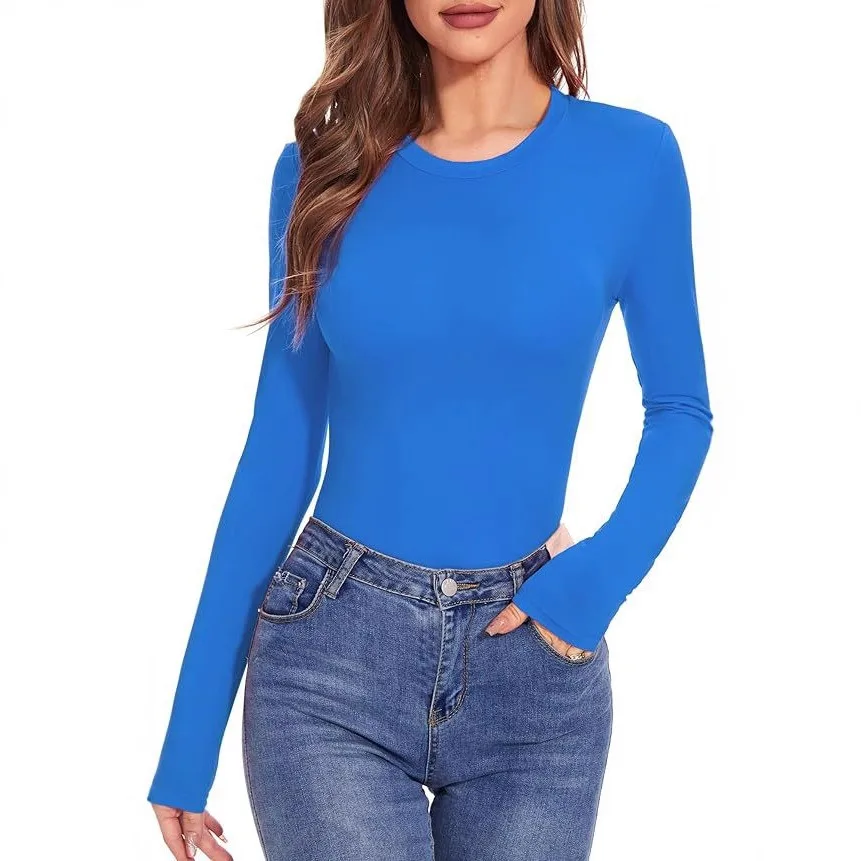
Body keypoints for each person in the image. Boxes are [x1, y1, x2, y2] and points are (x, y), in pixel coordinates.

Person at [147, 1, 713, 858]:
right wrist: (189, 741)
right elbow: (280, 446)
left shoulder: (631, 160)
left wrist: (593, 582)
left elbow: (679, 409)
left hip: (532, 664)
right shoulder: (323, 170)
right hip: (329, 661)